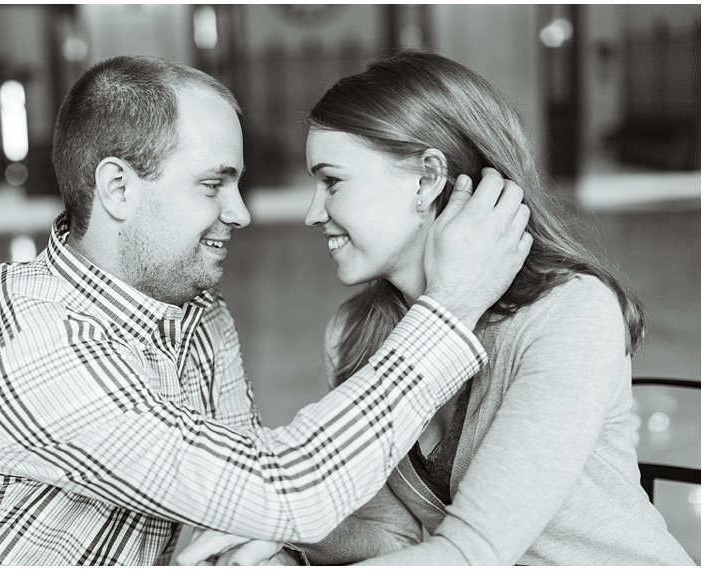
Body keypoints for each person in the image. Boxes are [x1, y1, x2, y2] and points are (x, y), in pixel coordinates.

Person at [0, 55, 531, 565]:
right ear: (117, 189)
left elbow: (239, 512)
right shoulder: (39, 347)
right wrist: (449, 308)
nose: (240, 213)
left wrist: (267, 545)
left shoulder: (194, 313)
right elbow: (283, 490)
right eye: (213, 183)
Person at [177, 49, 695, 565]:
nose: (315, 212)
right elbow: (395, 531)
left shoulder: (570, 313)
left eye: (332, 181)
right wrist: (288, 539)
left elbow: (472, 553)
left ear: (427, 179)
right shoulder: (358, 329)